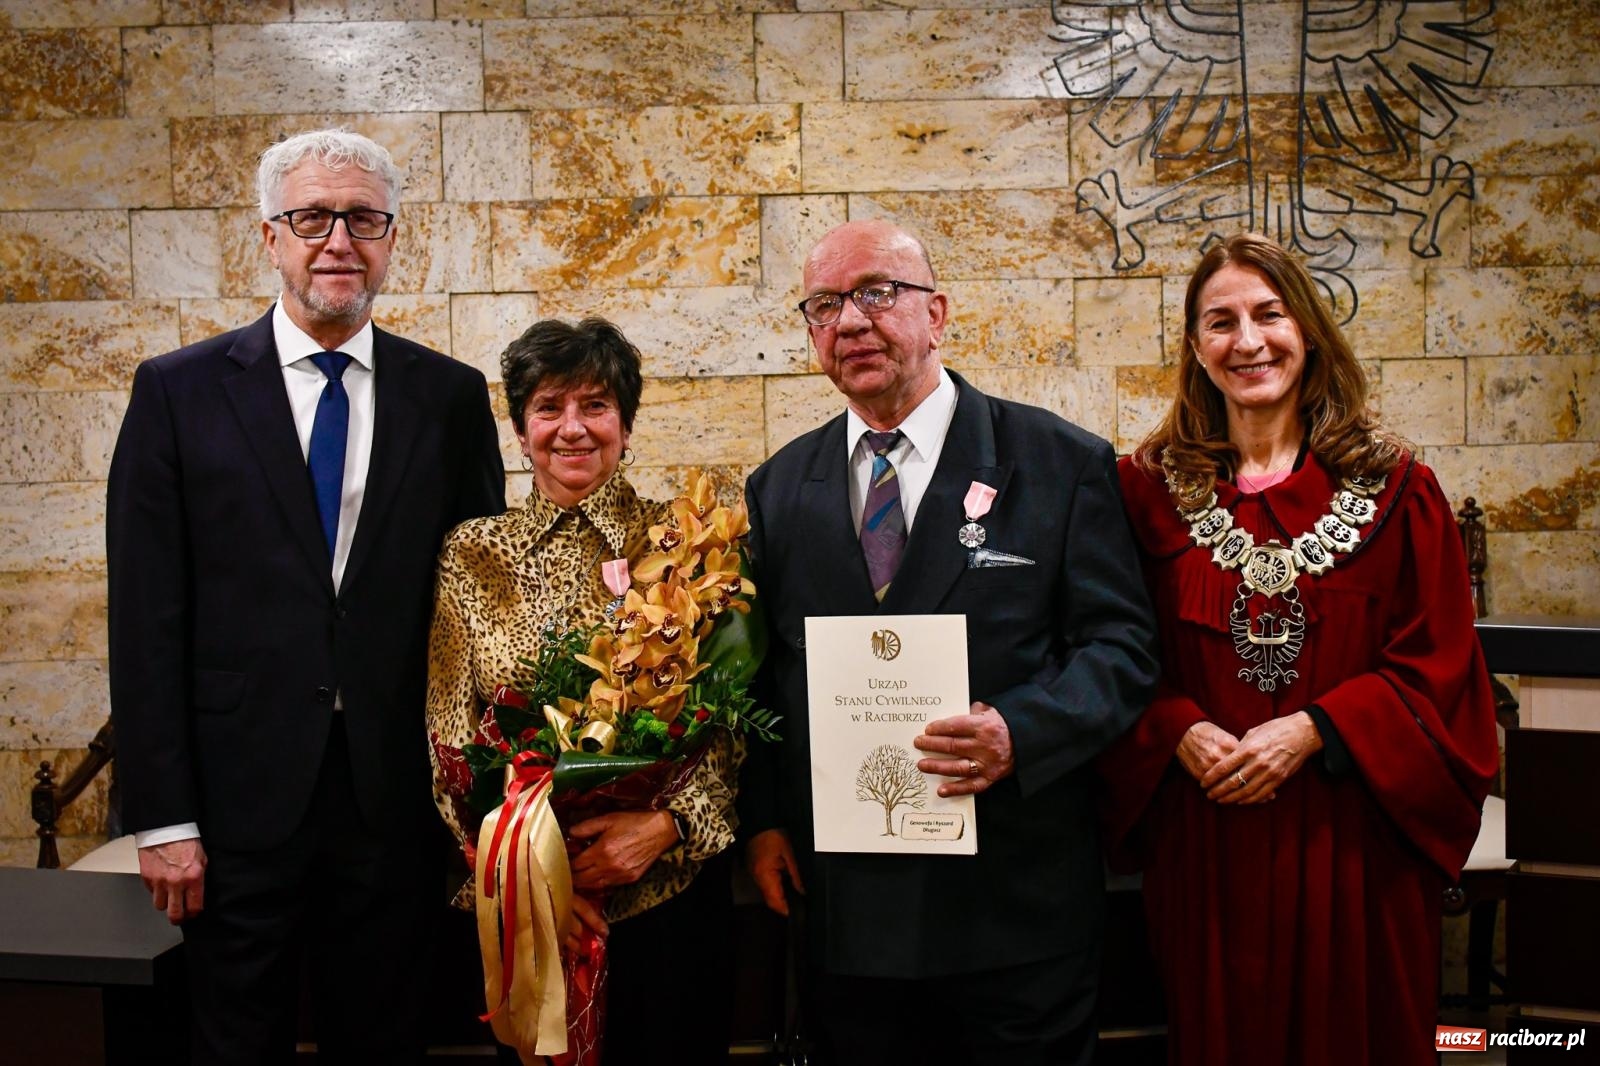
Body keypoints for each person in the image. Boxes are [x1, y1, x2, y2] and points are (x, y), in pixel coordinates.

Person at [106, 127, 506, 1064]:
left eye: (364, 219)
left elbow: (477, 611)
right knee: (234, 1042)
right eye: (312, 217)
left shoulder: (449, 398)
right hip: (233, 805)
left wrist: (481, 802)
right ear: (269, 237)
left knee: (386, 1038)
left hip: (393, 802)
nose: (339, 241)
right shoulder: (177, 393)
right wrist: (163, 817)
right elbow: (146, 619)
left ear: (394, 238)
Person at [740, 219, 1160, 1065]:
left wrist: (1021, 730)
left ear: (937, 314)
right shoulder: (778, 488)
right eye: (824, 304)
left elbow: (1122, 649)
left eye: (877, 293)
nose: (850, 321)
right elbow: (767, 675)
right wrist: (766, 820)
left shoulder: (1059, 462)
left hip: (1016, 907)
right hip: (851, 917)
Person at [1102, 232, 1500, 1065]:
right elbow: (1108, 650)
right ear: (1194, 348)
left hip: (1356, 840)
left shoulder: (1399, 491)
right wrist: (1175, 725)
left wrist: (1318, 727)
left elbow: (1442, 668)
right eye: (1221, 322)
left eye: (1269, 314)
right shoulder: (1141, 493)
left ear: (1308, 331)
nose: (1248, 341)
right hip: (1209, 840)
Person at [426, 317, 741, 1065]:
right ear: (520, 429)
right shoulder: (473, 552)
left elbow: (731, 718)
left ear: (626, 426)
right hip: (526, 911)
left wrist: (670, 825)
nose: (573, 428)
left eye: (595, 405)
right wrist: (527, 880)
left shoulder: (684, 541)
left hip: (666, 894)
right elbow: (448, 734)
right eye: (549, 407)